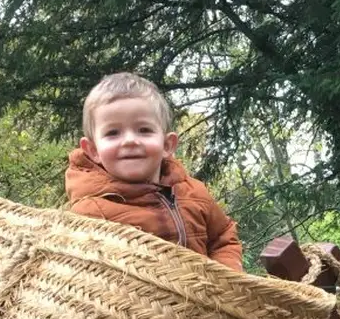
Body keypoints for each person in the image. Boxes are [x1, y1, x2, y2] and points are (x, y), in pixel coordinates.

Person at [65, 72, 244, 272]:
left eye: (144, 130)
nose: (130, 140)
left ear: (167, 145)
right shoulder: (92, 211)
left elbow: (223, 237)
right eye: (113, 133)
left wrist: (225, 276)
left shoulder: (195, 193)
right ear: (93, 150)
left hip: (206, 298)